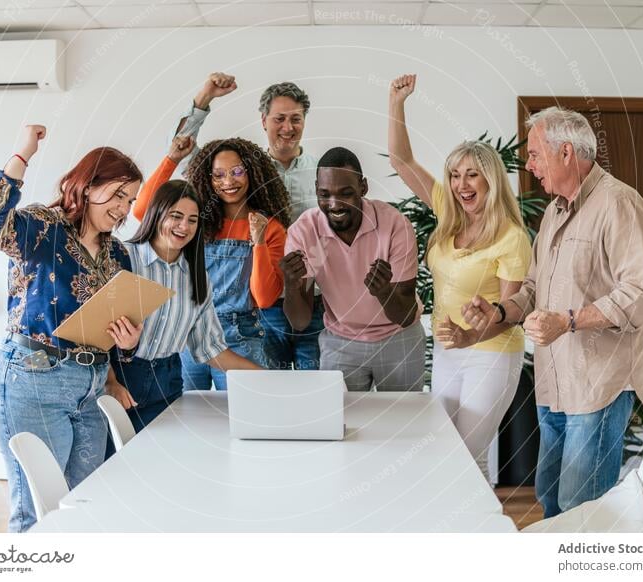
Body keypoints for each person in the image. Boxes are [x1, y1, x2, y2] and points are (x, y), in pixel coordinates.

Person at [462, 106, 643, 517]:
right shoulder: (554, 212)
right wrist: (497, 312)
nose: (530, 166)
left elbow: (640, 294)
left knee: (579, 507)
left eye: (535, 154)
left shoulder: (619, 204)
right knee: (550, 498)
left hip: (598, 385)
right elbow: (534, 289)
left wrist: (569, 321)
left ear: (566, 152)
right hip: (553, 383)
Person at [0, 125, 143, 532]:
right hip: (33, 379)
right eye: (118, 194)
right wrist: (22, 153)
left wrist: (128, 342)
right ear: (88, 185)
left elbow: (113, 333)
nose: (124, 208)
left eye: (131, 200)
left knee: (81, 507)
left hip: (90, 387)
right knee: (36, 512)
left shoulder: (117, 253)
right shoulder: (44, 226)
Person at [388, 74, 531, 480]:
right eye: (454, 174)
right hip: (450, 351)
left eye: (471, 174)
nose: (460, 184)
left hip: (492, 354)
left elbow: (511, 311)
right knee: (445, 450)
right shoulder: (449, 217)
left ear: (490, 179)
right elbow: (401, 162)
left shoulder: (511, 239)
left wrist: (473, 336)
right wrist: (396, 101)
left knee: (464, 460)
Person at [131, 73, 324, 372]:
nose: (288, 128)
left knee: (306, 389)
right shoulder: (236, 168)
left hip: (304, 299)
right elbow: (179, 149)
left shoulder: (320, 174)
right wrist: (204, 98)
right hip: (251, 314)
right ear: (264, 121)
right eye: (279, 119)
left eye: (296, 119)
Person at [134, 137, 290, 390]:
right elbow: (143, 211)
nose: (228, 182)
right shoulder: (196, 222)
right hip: (188, 335)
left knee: (247, 418)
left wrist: (258, 243)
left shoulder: (269, 227)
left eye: (237, 172)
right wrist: (171, 158)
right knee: (189, 418)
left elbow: (264, 298)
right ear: (208, 179)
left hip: (238, 338)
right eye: (218, 175)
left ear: (252, 173)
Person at [280, 146, 424, 391]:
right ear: (316, 190)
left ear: (363, 188)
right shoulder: (306, 232)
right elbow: (300, 322)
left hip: (398, 337)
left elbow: (405, 315)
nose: (334, 204)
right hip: (341, 341)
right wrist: (292, 285)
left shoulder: (394, 225)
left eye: (345, 193)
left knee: (403, 423)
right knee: (340, 423)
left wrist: (383, 292)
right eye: (324, 194)